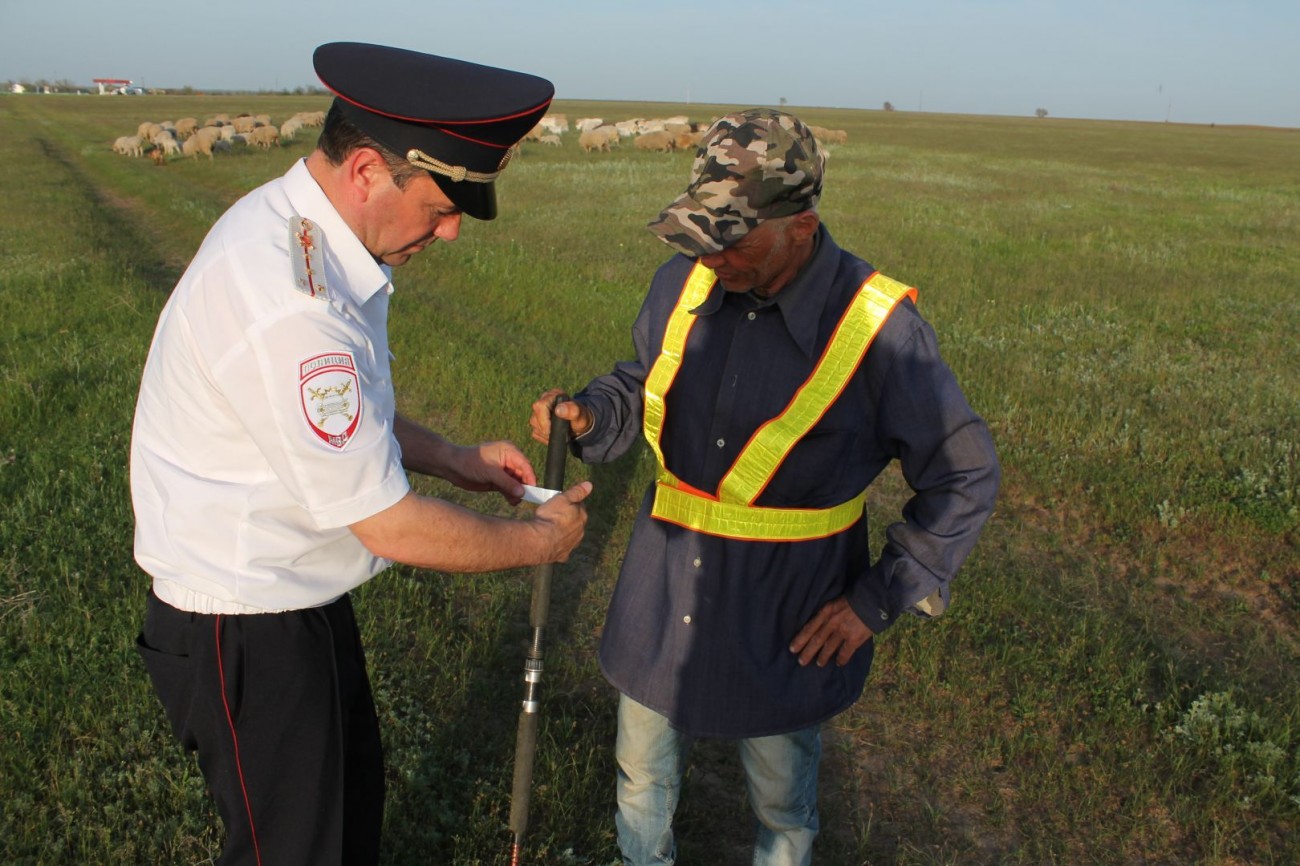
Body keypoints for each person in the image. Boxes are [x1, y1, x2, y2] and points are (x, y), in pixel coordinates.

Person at [131, 42, 591, 866]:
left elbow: (343, 422)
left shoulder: (312, 239)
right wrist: (540, 542)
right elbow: (390, 525)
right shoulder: (291, 300)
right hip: (245, 622)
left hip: (293, 603)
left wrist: (451, 456)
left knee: (343, 824)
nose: (450, 232)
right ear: (369, 171)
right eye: (443, 205)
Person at [529, 108, 1000, 866]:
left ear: (801, 227)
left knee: (781, 797)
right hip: (664, 588)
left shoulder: (881, 329)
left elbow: (964, 472)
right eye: (700, 232)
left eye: (732, 237)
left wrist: (877, 599)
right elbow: (646, 378)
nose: (710, 256)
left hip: (789, 611)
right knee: (641, 775)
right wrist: (590, 414)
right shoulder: (684, 280)